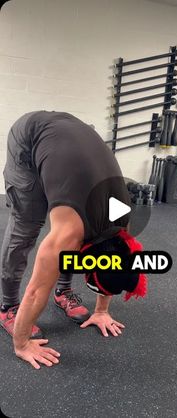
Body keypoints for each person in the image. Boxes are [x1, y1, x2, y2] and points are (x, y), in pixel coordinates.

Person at [0, 111, 147, 369]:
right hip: (30, 136)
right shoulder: (67, 235)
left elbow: (114, 266)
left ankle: (64, 291)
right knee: (27, 224)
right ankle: (8, 306)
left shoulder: (123, 223)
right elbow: (34, 292)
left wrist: (102, 310)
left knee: (74, 235)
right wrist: (22, 343)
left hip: (69, 138)